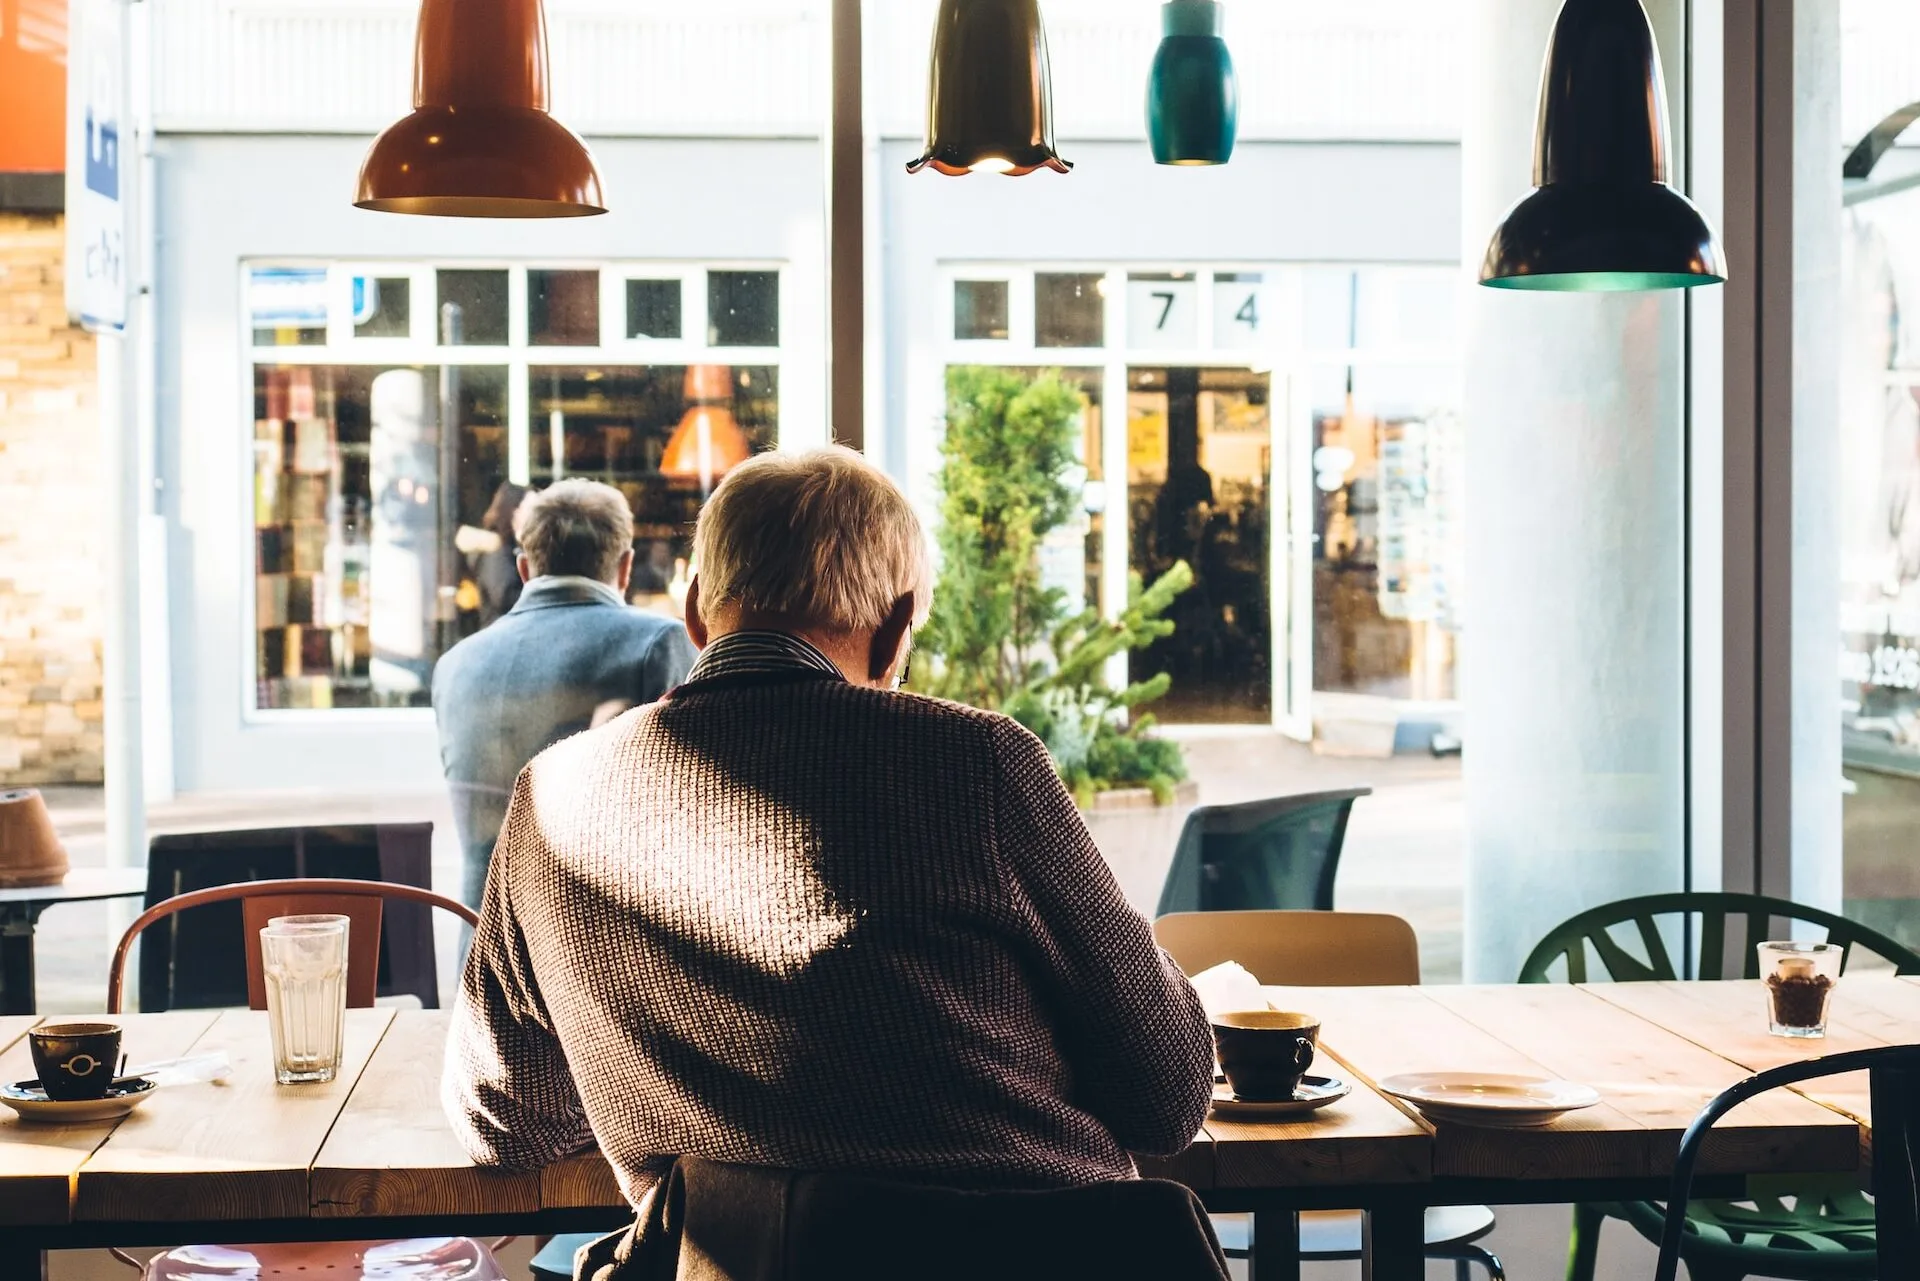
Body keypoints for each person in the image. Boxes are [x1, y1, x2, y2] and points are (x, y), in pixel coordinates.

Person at [443, 445, 1214, 1212]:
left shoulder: (552, 797)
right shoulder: (979, 765)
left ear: (695, 611)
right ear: (895, 632)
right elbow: (1168, 1096)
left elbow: (502, 1121)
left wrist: (656, 1069)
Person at [432, 478, 697, 914]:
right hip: (595, 956)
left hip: (480, 957)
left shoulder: (455, 664)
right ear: (626, 567)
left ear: (523, 569)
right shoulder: (657, 644)